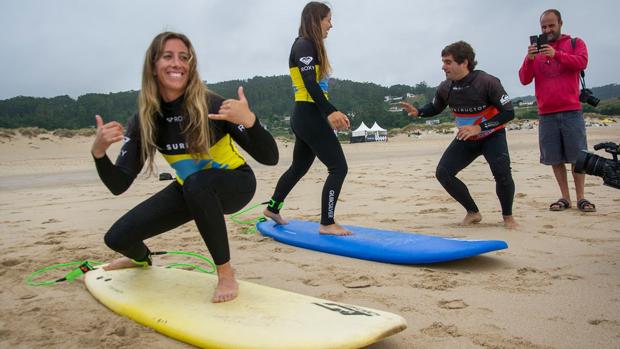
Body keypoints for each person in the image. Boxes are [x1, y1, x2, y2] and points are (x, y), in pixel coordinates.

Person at [91, 32, 278, 303]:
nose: (176, 63)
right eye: (168, 56)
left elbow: (269, 157)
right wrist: (98, 154)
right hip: (189, 189)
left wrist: (250, 121)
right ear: (153, 66)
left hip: (235, 183)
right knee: (117, 237)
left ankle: (226, 272)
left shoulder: (212, 105)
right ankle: (143, 260)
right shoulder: (147, 120)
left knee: (197, 183)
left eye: (184, 57)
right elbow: (119, 184)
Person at [401, 41, 519, 229]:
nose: (443, 67)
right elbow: (435, 107)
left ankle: (508, 217)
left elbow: (508, 112)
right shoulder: (445, 87)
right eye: (443, 62)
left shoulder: (487, 82)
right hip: (466, 138)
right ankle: (473, 212)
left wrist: (480, 127)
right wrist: (419, 112)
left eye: (448, 62)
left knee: (502, 173)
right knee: (443, 172)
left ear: (464, 62)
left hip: (492, 136)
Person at [263, 1, 351, 235]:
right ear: (316, 20)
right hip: (309, 114)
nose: (331, 25)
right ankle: (327, 222)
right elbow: (310, 84)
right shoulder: (304, 45)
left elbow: (314, 85)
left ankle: (273, 208)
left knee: (299, 167)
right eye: (328, 19)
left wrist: (328, 110)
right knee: (338, 168)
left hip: (305, 115)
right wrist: (330, 111)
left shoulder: (310, 46)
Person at [518, 9, 595, 213]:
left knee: (578, 157)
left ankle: (581, 198)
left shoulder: (575, 43)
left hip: (571, 109)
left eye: (551, 25)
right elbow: (524, 79)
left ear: (560, 23)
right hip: (546, 113)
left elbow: (582, 62)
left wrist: (557, 54)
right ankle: (565, 197)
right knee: (555, 158)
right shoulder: (536, 53)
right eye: (544, 26)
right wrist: (529, 58)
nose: (548, 30)